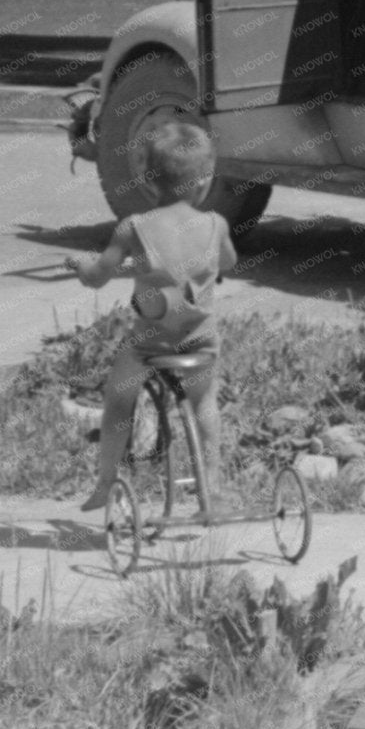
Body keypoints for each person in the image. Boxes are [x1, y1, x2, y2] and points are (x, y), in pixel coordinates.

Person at [68, 121, 239, 514]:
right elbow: (228, 260)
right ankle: (211, 487)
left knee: (118, 399)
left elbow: (97, 278)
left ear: (147, 181)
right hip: (199, 338)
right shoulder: (216, 225)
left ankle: (106, 483)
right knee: (204, 401)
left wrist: (80, 265)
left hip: (150, 343)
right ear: (205, 181)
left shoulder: (133, 228)